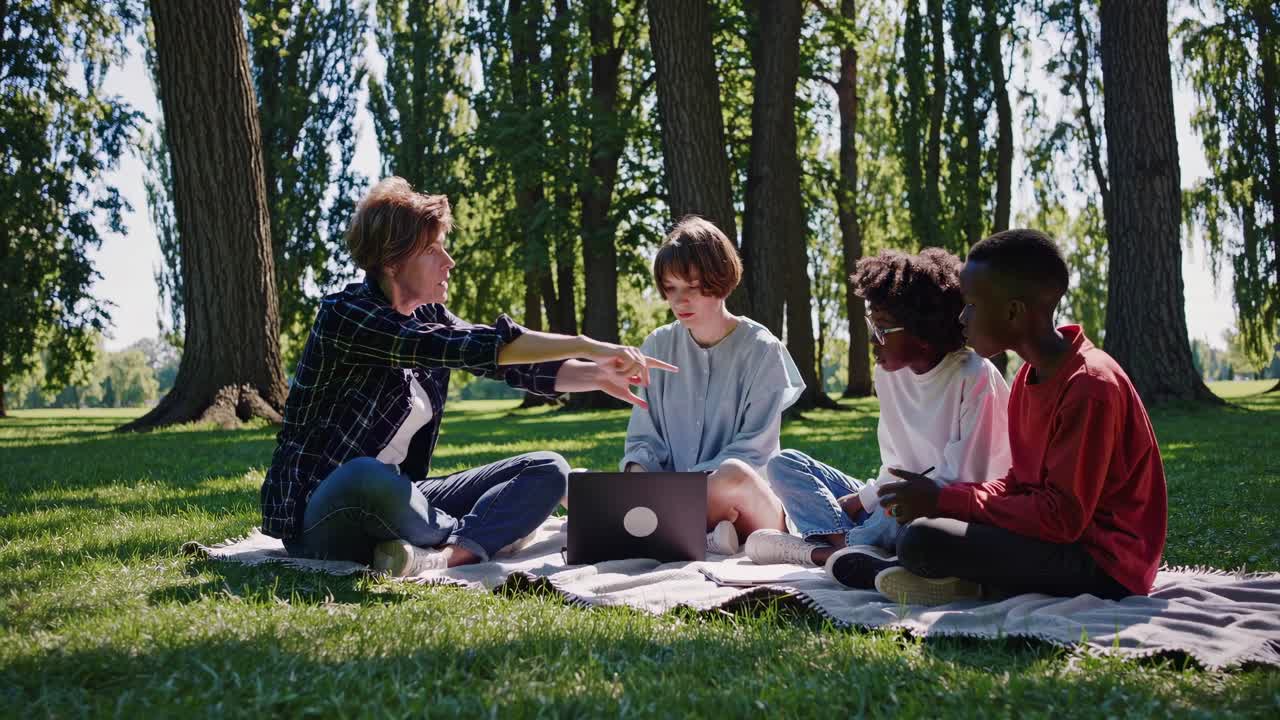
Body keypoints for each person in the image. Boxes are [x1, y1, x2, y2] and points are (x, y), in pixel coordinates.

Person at [260, 177, 675, 576]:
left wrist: (596, 374)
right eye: (434, 250)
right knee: (367, 475)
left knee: (549, 469)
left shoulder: (428, 317)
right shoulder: (347, 317)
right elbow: (472, 346)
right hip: (323, 516)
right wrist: (584, 343)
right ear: (391, 261)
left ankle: (448, 553)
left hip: (404, 500)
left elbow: (507, 362)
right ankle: (484, 532)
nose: (449, 262)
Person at [872, 229, 1167, 605]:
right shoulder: (1029, 377)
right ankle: (966, 583)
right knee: (921, 529)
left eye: (971, 305)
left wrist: (947, 502)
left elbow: (1061, 517)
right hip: (1056, 539)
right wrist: (942, 497)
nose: (961, 319)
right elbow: (1020, 482)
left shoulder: (1089, 386)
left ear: (1013, 311)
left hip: (1106, 563)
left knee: (922, 540)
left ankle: (967, 582)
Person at [747, 249, 1011, 586]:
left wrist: (877, 503)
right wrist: (863, 498)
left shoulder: (972, 377)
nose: (873, 340)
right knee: (785, 465)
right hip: (895, 499)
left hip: (943, 507)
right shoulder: (888, 375)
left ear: (923, 332)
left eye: (883, 329)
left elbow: (961, 482)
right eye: (872, 326)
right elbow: (895, 464)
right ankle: (850, 549)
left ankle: (828, 548)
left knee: (900, 518)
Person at [621, 216, 805, 554]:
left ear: (719, 279)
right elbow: (644, 439)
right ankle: (705, 536)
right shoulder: (657, 346)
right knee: (574, 480)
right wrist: (636, 476)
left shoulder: (762, 349)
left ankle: (661, 531)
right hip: (673, 499)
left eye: (691, 288)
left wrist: (684, 491)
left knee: (732, 474)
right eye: (671, 289)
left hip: (750, 506)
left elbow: (753, 453)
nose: (680, 301)